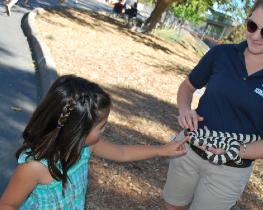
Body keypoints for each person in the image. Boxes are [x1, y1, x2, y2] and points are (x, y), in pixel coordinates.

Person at [162, 0, 263, 210]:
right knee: (172, 206)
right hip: (186, 151)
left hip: (229, 170)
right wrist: (185, 110)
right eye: (251, 26)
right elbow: (187, 87)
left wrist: (231, 149)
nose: (255, 36)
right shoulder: (222, 53)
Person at [0, 75, 188, 209]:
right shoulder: (34, 167)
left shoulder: (84, 147)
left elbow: (121, 152)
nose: (104, 131)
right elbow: (8, 204)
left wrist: (162, 150)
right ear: (77, 130)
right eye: (102, 126)